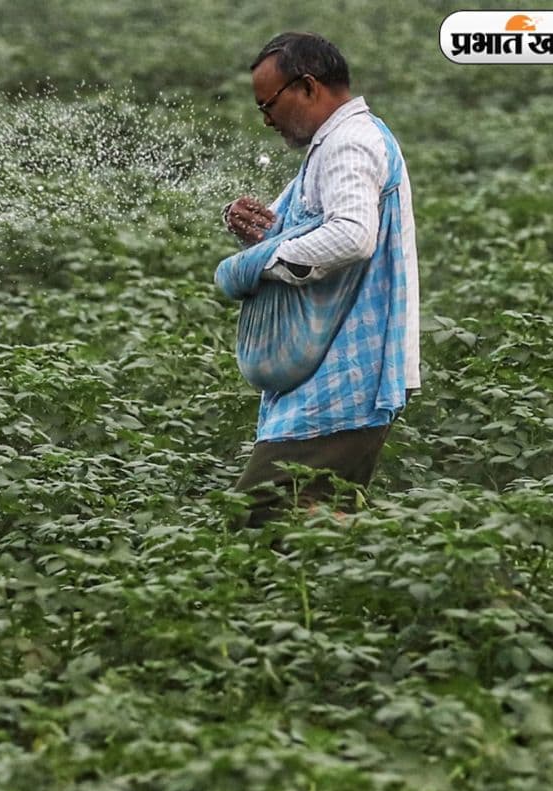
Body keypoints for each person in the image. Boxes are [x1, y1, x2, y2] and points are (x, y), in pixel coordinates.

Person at [220, 32, 421, 527]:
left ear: (308, 87)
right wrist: (249, 225)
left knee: (258, 517)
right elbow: (296, 230)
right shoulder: (333, 145)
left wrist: (260, 264)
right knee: (314, 525)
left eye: (268, 104)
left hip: (344, 380)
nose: (266, 119)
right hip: (326, 375)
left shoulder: (350, 144)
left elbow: (351, 235)